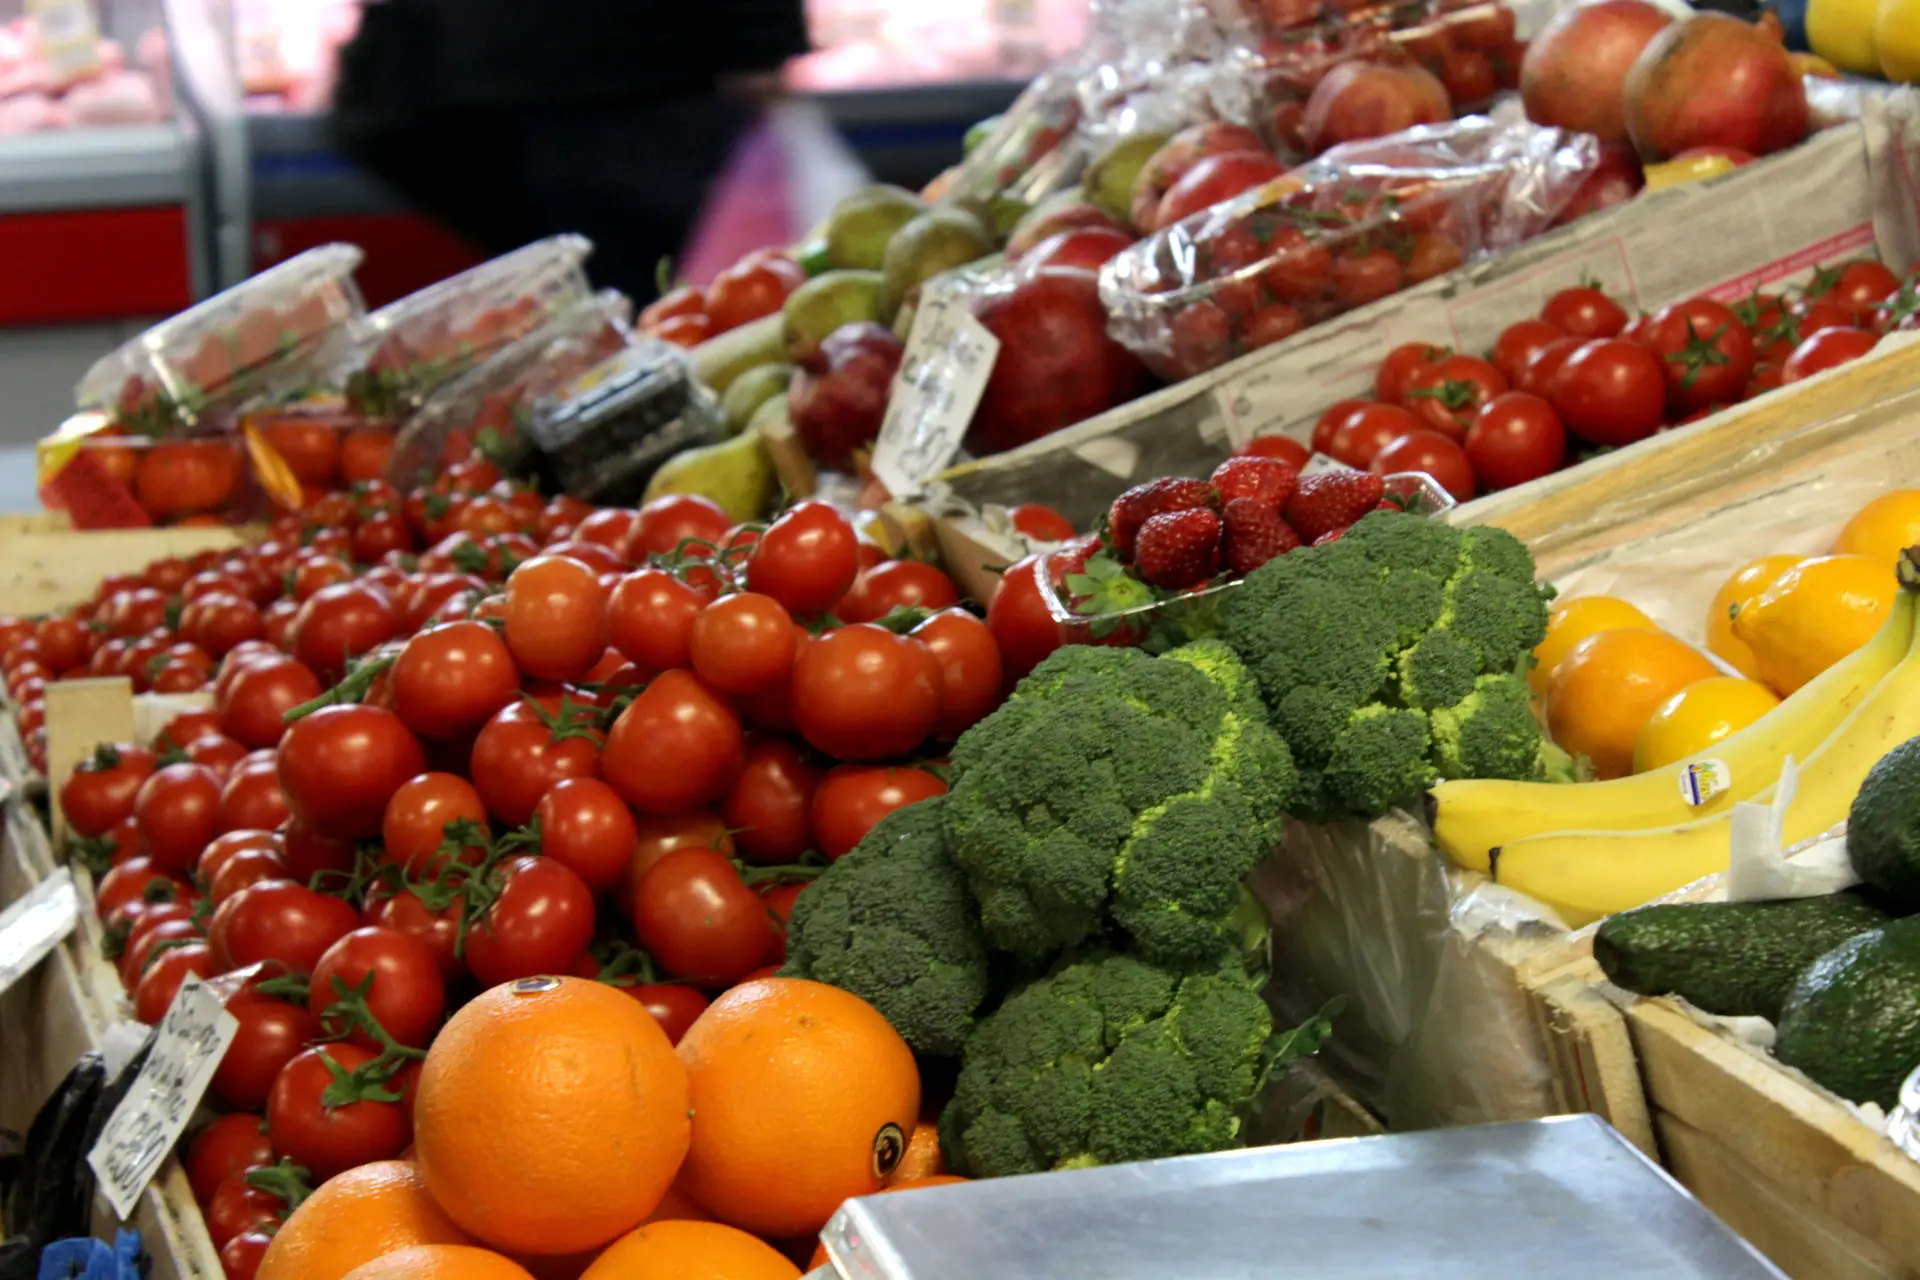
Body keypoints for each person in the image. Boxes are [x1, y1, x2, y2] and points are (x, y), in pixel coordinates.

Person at [331, 0, 809, 301]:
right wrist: (763, 39)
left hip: (479, 84)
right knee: (643, 328)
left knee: (584, 322)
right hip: (637, 85)